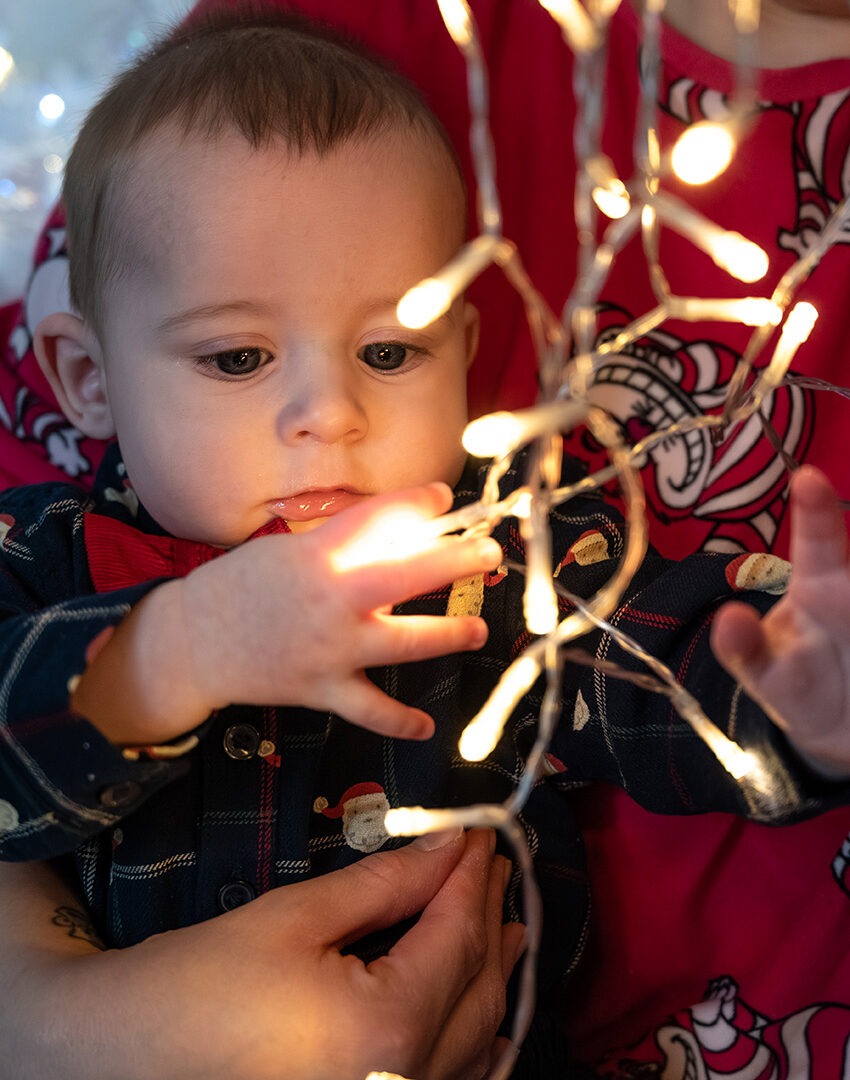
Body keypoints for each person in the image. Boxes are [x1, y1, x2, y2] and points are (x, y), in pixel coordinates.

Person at [3, 2, 850, 1078]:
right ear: (89, 379)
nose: (331, 415)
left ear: (463, 347)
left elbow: (650, 668)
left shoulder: (483, 558)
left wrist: (796, 711)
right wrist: (178, 650)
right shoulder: (44, 560)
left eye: (390, 353)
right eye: (235, 359)